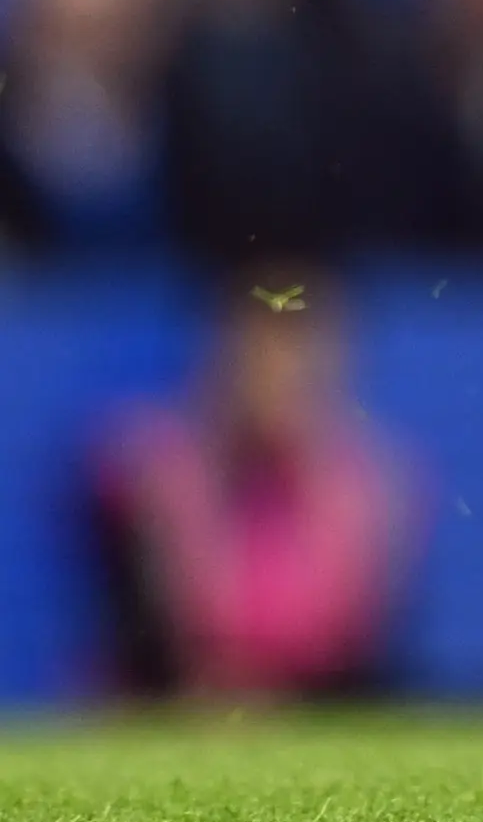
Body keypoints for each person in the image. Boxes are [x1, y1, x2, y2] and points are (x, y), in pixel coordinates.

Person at [86, 282, 424, 698]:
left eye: (294, 356)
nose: (273, 376)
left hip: (316, 707)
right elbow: (150, 636)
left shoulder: (372, 482)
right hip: (178, 701)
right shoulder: (151, 471)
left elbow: (365, 651)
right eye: (257, 355)